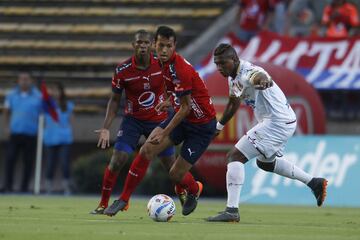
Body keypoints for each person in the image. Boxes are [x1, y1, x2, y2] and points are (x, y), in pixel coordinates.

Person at [206, 43, 328, 222]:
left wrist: (263, 80)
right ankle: (314, 182)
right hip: (282, 121)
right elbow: (233, 103)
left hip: (276, 123)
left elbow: (258, 76)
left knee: (234, 156)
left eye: (223, 63)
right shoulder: (233, 76)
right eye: (217, 64)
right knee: (266, 164)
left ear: (234, 60)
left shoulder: (248, 72)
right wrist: (219, 127)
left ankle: (232, 210)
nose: (219, 68)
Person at [103, 26, 217, 217]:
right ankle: (123, 199)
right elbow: (177, 95)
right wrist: (167, 101)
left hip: (201, 125)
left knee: (175, 174)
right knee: (147, 148)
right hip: (183, 116)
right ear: (155, 45)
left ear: (175, 46)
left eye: (168, 46)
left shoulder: (179, 69)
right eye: (161, 45)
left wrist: (164, 132)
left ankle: (194, 189)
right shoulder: (163, 64)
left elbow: (186, 107)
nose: (164, 50)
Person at [2, 72, 42, 193]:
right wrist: (6, 127)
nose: (24, 81)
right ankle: (8, 186)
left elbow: (43, 114)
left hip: (31, 133)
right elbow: (6, 111)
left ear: (31, 81)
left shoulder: (38, 96)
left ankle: (24, 188)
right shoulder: (11, 95)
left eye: (26, 79)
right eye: (22, 79)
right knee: (10, 159)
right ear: (18, 81)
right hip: (15, 132)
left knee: (28, 161)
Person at [43, 82, 74, 195]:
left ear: (61, 92)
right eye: (53, 90)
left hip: (64, 138)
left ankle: (66, 187)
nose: (55, 93)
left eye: (57, 90)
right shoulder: (46, 105)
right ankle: (48, 188)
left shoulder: (68, 105)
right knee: (50, 163)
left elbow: (71, 121)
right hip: (50, 138)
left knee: (64, 163)